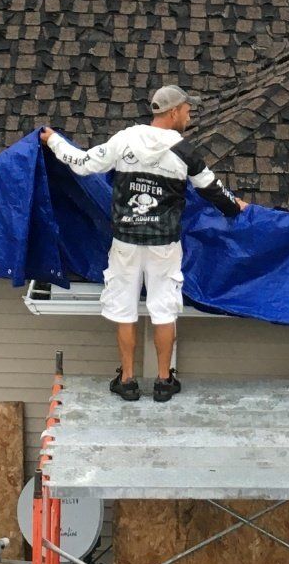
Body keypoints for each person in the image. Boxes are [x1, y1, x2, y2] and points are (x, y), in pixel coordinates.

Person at [38, 85, 248, 402]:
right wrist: (237, 207)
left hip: (126, 240)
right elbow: (214, 192)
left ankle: (127, 379)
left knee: (124, 308)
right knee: (164, 310)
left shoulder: (125, 141)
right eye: (188, 111)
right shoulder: (184, 152)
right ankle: (164, 381)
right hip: (164, 243)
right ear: (174, 111)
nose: (189, 117)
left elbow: (81, 163)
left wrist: (51, 139)